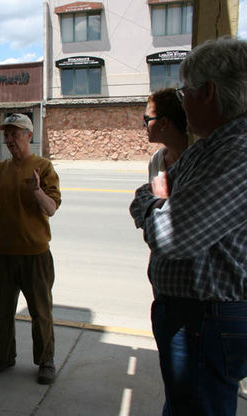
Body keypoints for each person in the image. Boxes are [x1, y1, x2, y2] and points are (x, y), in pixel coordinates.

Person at [130, 37, 247, 416]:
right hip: (189, 315)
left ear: (209, 92)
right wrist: (158, 202)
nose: (182, 104)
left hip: (206, 319)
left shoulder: (236, 153)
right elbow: (143, 196)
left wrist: (159, 202)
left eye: (185, 93)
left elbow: (168, 235)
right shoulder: (210, 146)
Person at [0, 113, 61, 385]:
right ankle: (5, 356)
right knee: (4, 310)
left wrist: (37, 191)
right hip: (3, 254)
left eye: (14, 134)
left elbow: (51, 209)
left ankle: (46, 361)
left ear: (29, 135)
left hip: (35, 255)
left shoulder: (43, 167)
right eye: (6, 135)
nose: (9, 140)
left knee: (41, 312)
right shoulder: (0, 169)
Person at [144, 88, 189, 182]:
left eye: (147, 119)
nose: (144, 125)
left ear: (164, 122)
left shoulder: (199, 157)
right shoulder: (156, 160)